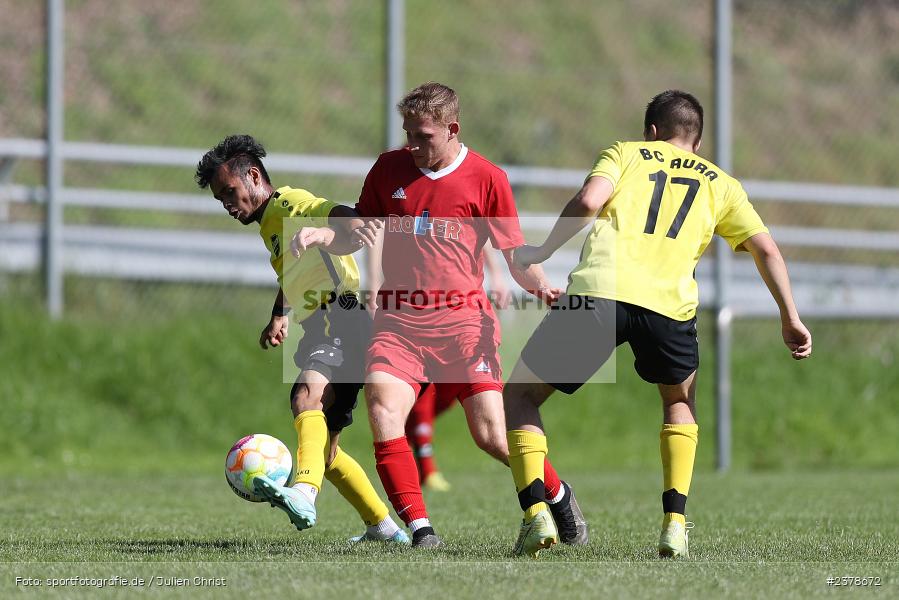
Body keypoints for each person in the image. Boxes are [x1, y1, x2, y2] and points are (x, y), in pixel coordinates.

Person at [503, 90, 813, 558]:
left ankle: (536, 515)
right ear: (698, 142)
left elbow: (589, 200)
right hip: (669, 308)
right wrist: (790, 316)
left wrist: (541, 251)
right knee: (678, 401)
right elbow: (765, 248)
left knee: (520, 396)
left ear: (651, 131)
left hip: (600, 293)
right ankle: (675, 525)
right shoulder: (721, 183)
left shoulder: (625, 153)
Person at [301, 82, 588, 548]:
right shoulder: (388, 168)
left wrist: (542, 288)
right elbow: (359, 232)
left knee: (492, 435)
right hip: (398, 324)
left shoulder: (488, 178)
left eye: (424, 136)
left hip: (464, 325)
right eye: (408, 134)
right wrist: (323, 236)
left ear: (452, 129)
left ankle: (557, 493)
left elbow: (514, 254)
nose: (413, 145)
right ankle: (421, 530)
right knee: (383, 409)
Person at [195, 134, 408, 544]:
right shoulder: (269, 225)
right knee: (325, 452)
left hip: (339, 316)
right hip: (326, 321)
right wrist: (279, 313)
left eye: (230, 192)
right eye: (220, 198)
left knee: (305, 398)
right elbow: (293, 271)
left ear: (253, 176)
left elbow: (336, 213)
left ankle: (305, 495)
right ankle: (382, 527)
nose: (227, 204)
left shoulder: (289, 204)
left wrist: (348, 224)